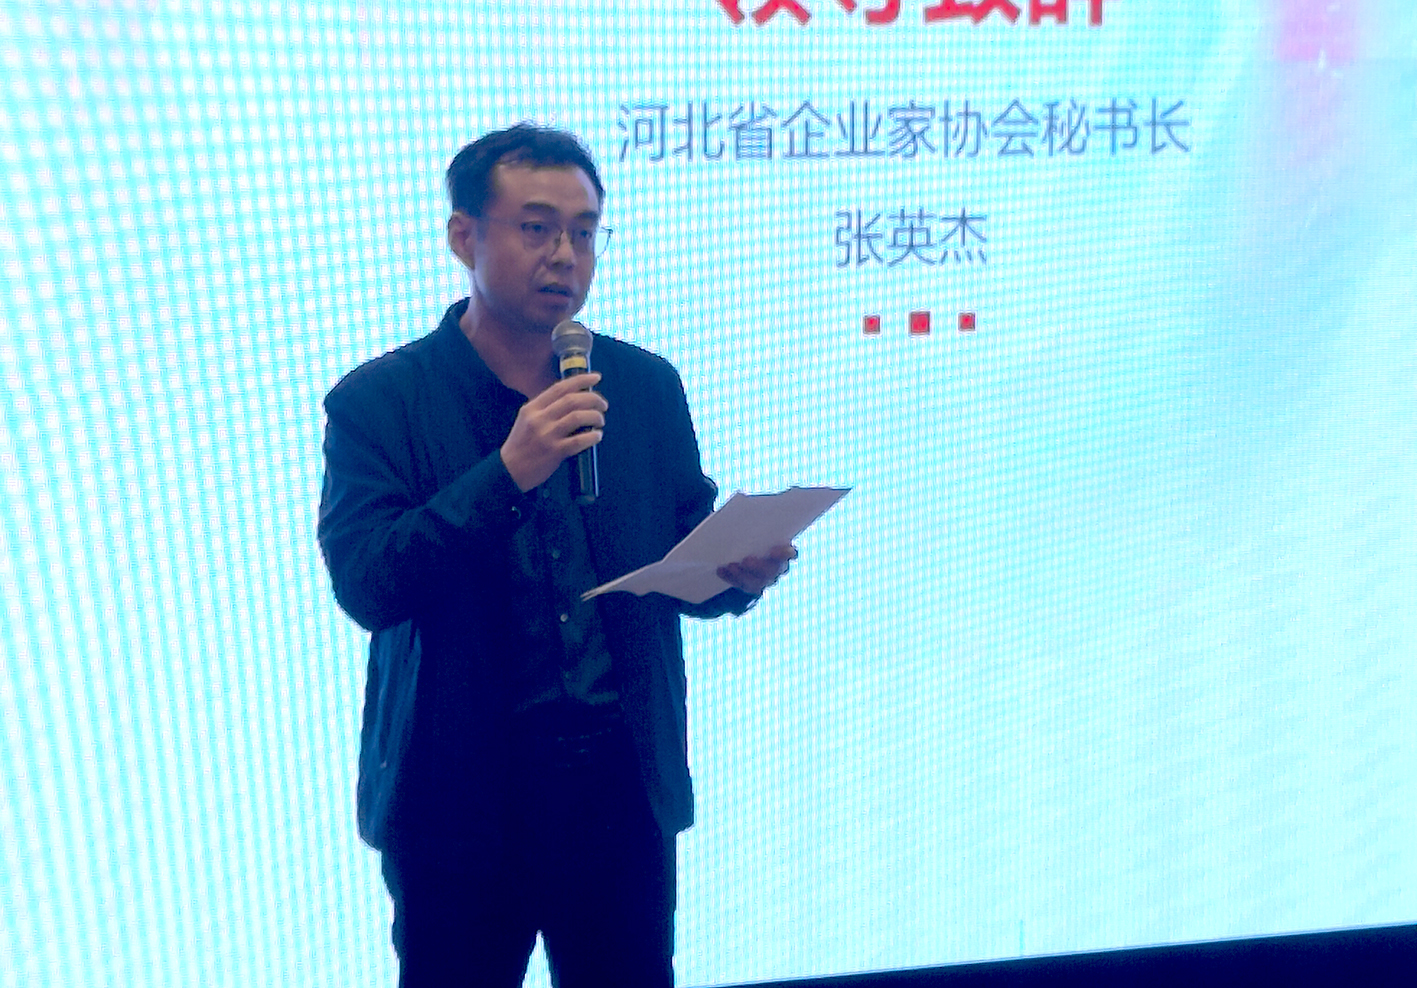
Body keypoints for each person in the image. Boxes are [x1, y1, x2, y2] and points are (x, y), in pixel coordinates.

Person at [317, 123, 794, 987]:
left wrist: (737, 575)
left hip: (619, 790)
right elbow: (369, 586)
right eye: (536, 228)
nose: (565, 256)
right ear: (463, 236)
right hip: (459, 804)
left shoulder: (642, 386)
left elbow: (682, 556)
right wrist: (506, 472)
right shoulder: (380, 402)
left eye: (584, 231)